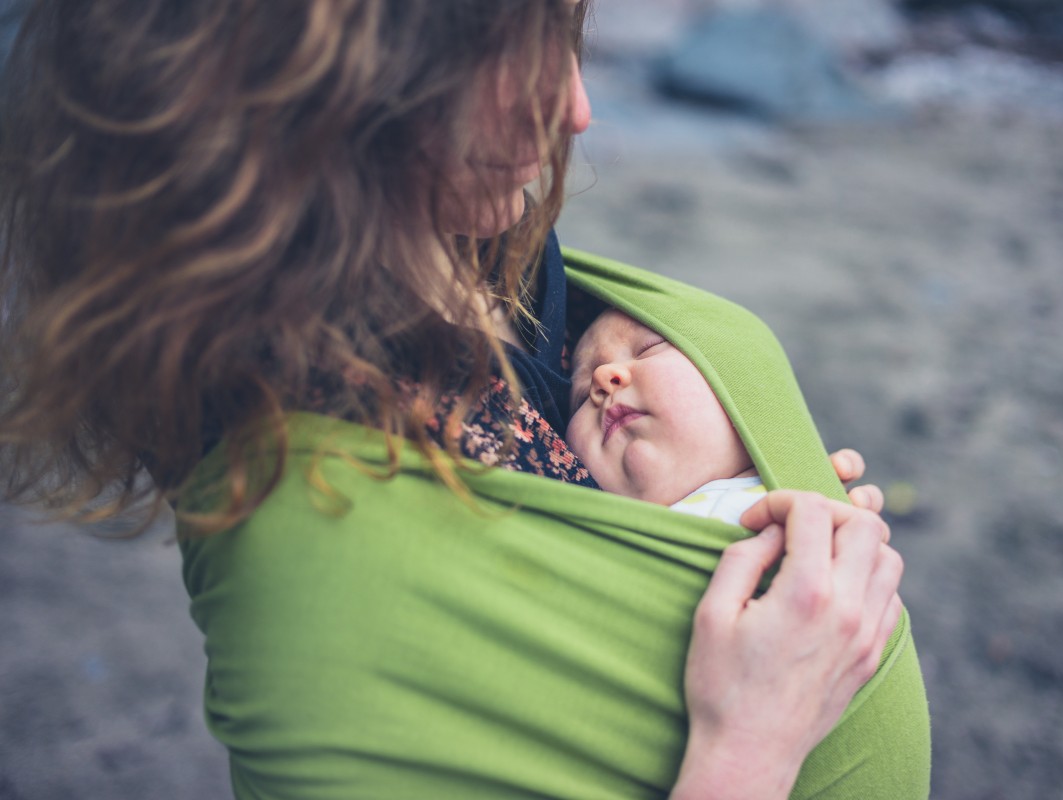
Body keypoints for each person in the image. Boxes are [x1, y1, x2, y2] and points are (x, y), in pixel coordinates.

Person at [0, 1, 929, 797]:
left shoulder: (476, 246)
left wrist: (730, 507)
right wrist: (751, 744)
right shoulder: (310, 583)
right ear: (299, 79)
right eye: (497, 50)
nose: (576, 109)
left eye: (564, 30)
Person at [566, 307, 885, 523]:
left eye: (648, 348)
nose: (603, 378)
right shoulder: (600, 557)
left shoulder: (799, 507)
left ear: (745, 381)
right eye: (580, 398)